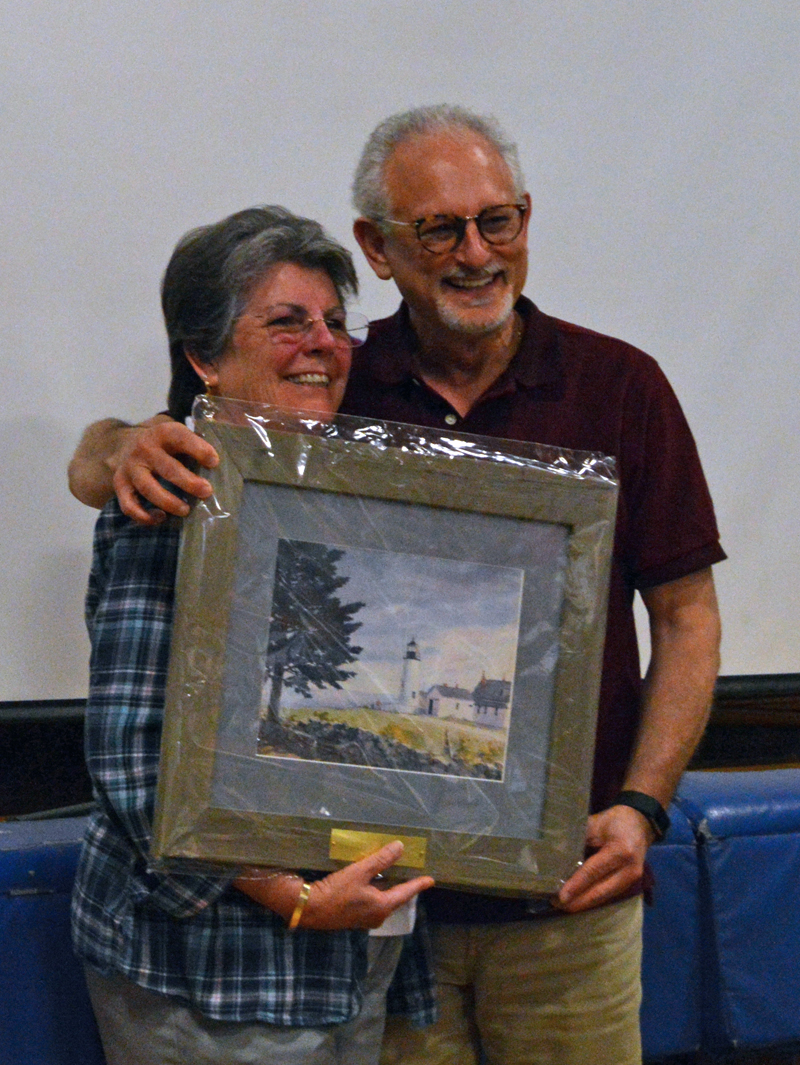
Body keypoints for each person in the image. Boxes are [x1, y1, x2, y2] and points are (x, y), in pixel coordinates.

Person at [69, 107, 724, 1065]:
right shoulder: (332, 388)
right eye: (440, 228)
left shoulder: (620, 386)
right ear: (379, 245)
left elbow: (688, 617)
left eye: (498, 220)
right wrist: (114, 446)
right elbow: (158, 459)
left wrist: (645, 805)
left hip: (560, 901)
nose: (476, 252)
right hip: (382, 926)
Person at [71, 204, 435, 1065]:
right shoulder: (171, 494)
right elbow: (134, 753)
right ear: (204, 356)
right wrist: (293, 897)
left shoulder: (365, 492)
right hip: (211, 966)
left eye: (335, 323)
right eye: (286, 321)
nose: (323, 342)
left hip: (359, 948)